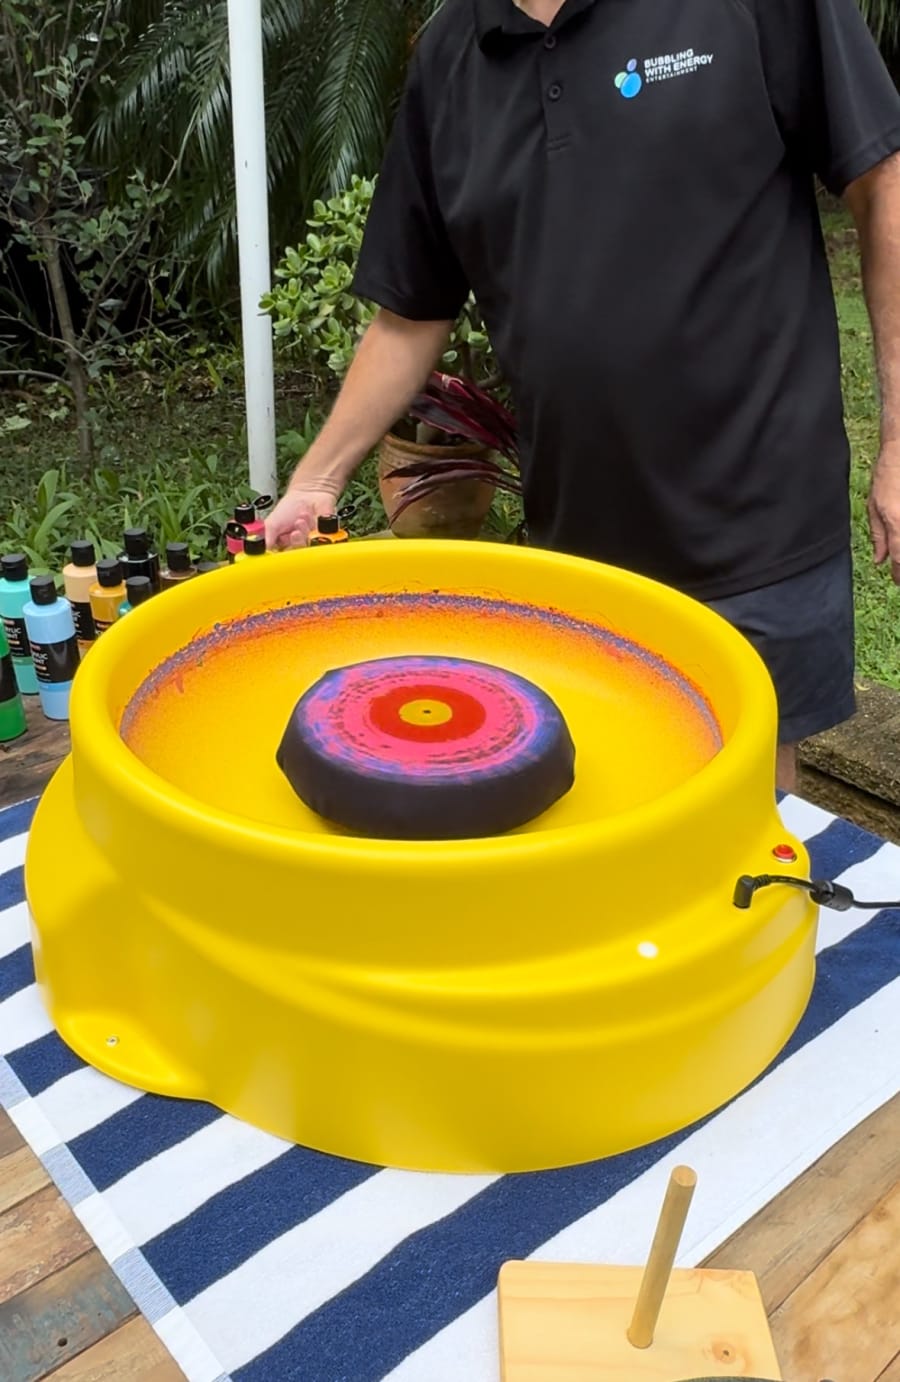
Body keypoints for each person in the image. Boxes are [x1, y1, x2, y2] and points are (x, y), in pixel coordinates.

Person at [266, 0, 900, 792]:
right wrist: (316, 481)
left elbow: (881, 180)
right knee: (602, 803)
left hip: (755, 520)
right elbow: (410, 314)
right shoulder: (452, 56)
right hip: (580, 548)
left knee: (743, 823)